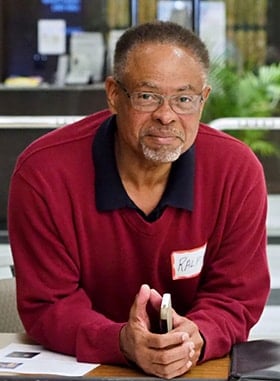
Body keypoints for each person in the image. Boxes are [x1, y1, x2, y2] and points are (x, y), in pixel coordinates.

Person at [8, 21, 270, 379]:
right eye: (147, 96)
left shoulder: (236, 171)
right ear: (114, 95)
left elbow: (236, 296)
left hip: (194, 369)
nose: (166, 115)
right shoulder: (44, 173)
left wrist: (197, 336)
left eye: (184, 98)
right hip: (81, 367)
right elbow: (49, 304)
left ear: (203, 99)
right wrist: (121, 342)